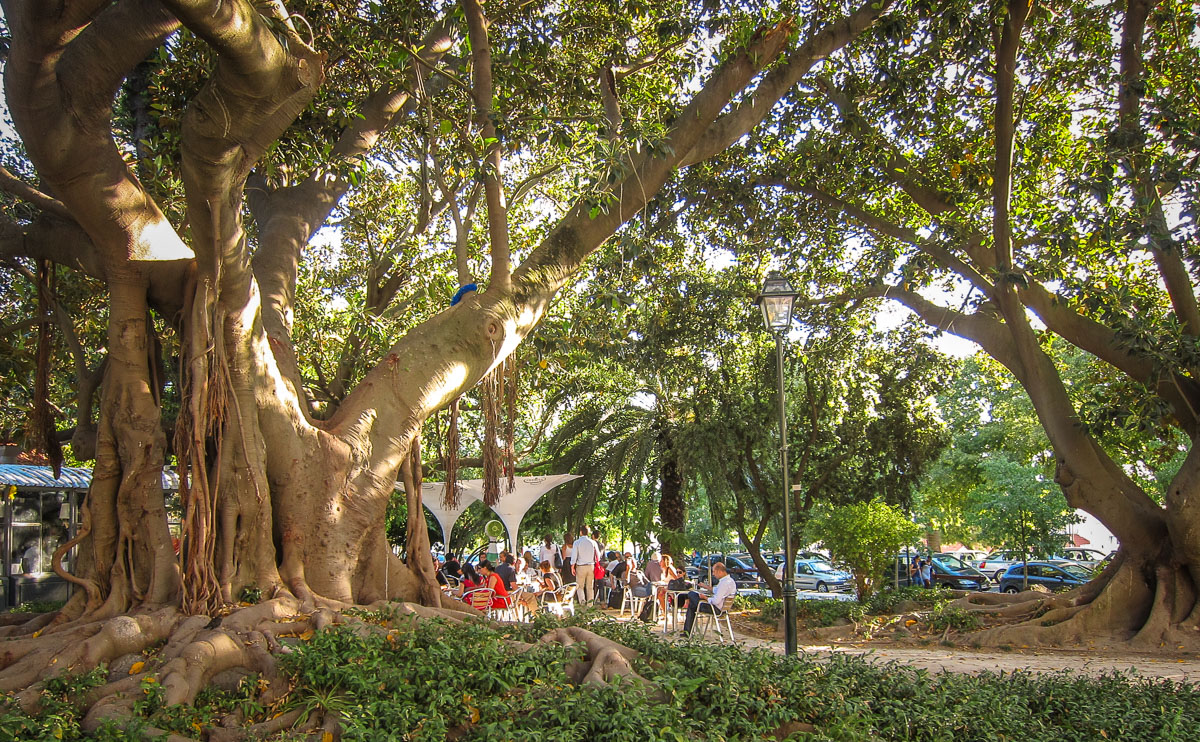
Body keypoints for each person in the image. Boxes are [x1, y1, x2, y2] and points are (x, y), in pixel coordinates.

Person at [681, 562, 736, 636]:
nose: (713, 574)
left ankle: (687, 632)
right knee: (692, 605)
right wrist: (705, 586)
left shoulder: (724, 583)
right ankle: (687, 632)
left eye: (714, 572)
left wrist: (705, 598)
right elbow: (715, 590)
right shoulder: (730, 581)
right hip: (723, 609)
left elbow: (716, 601)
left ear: (719, 571)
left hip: (715, 609)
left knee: (691, 594)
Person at [571, 525, 600, 604]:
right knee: (590, 587)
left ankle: (582, 603)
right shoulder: (593, 542)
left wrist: (572, 566)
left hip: (581, 566)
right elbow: (598, 555)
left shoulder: (577, 542)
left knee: (580, 586)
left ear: (581, 532)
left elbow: (574, 556)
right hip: (591, 566)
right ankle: (590, 604)